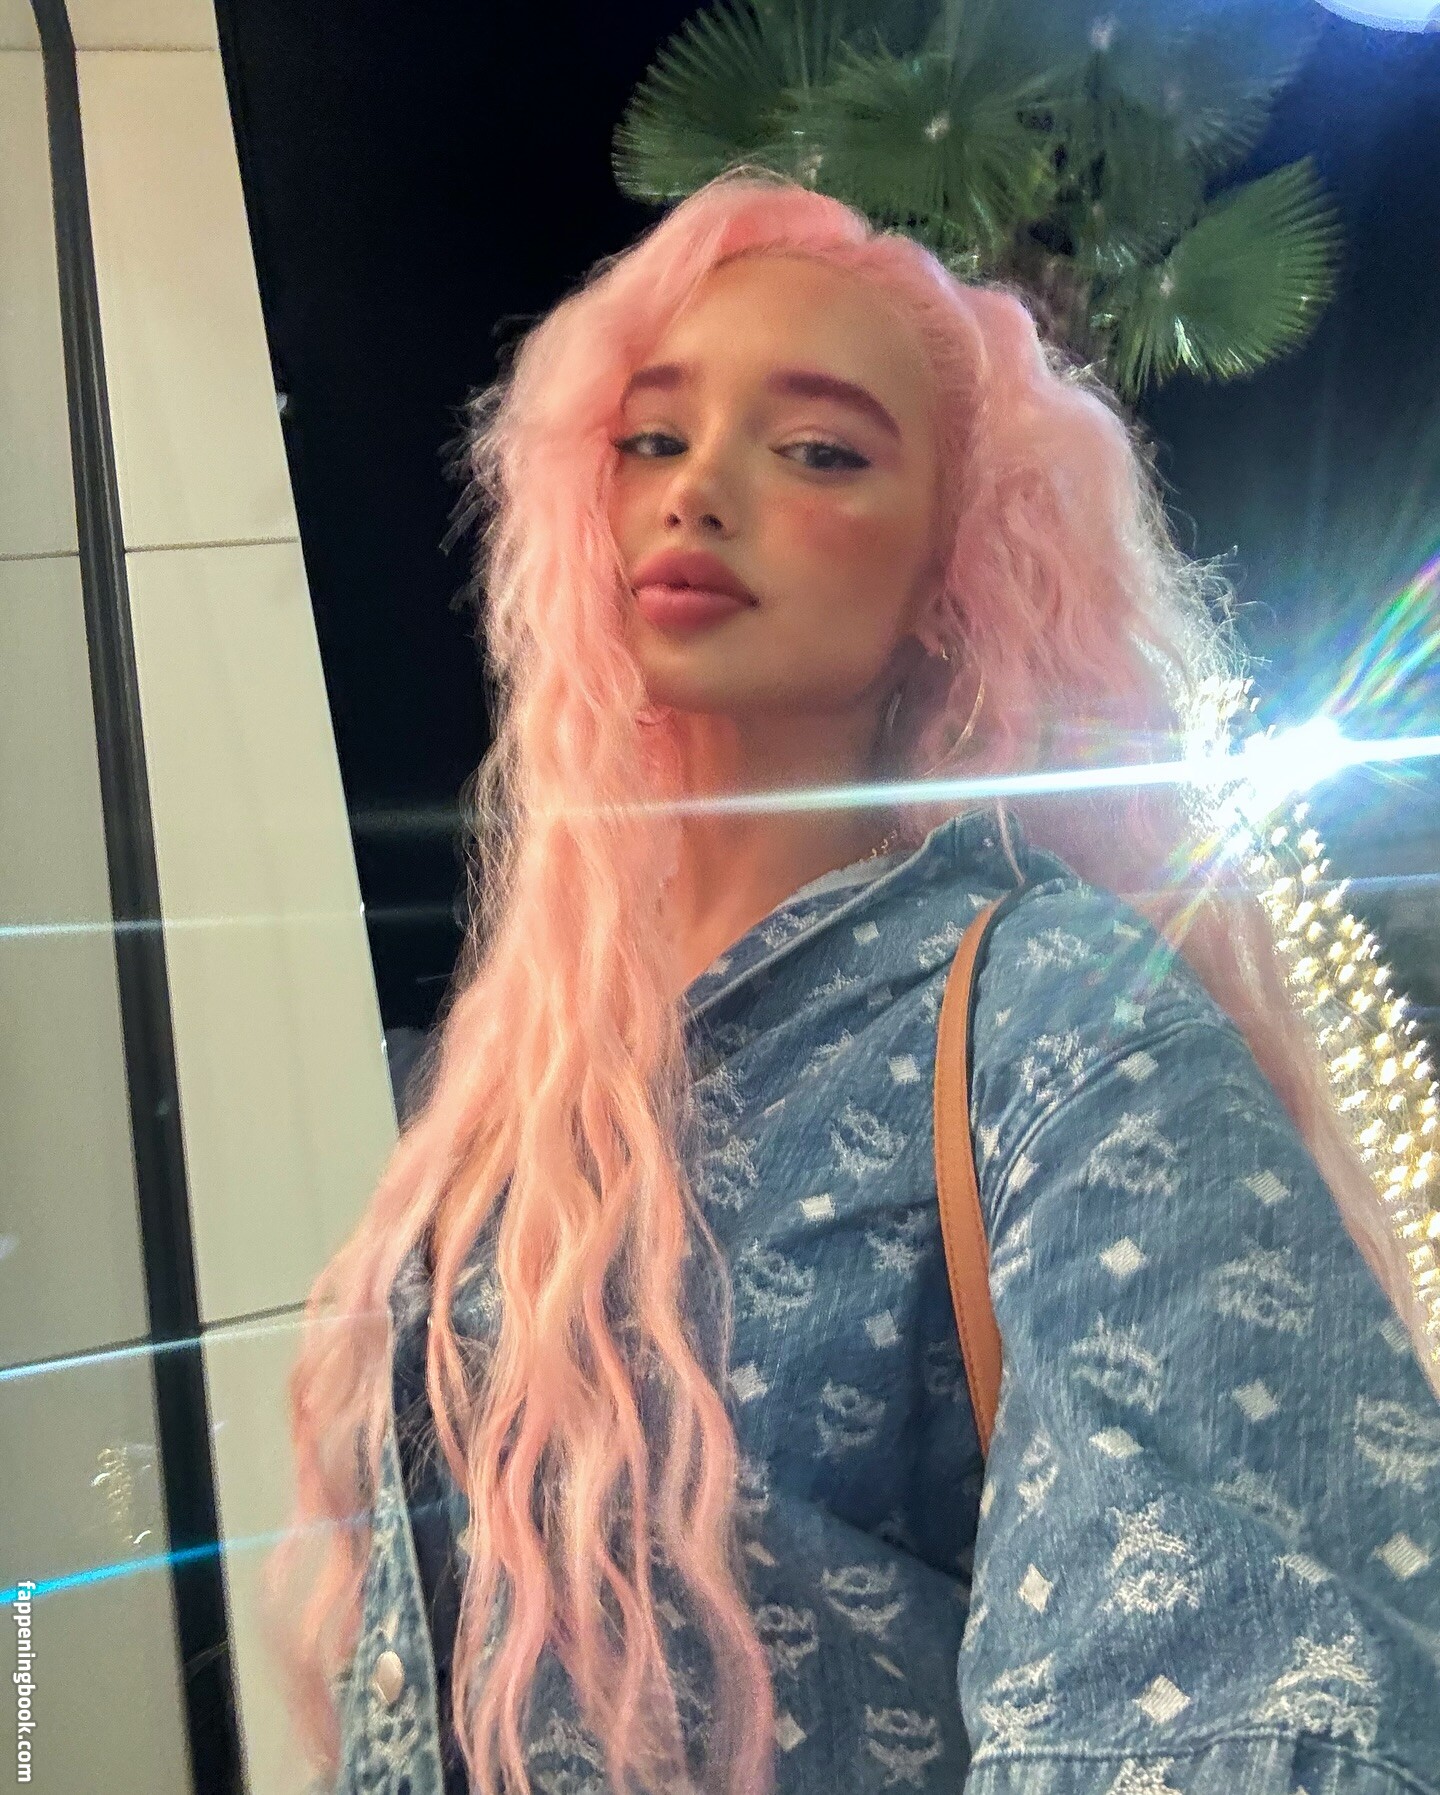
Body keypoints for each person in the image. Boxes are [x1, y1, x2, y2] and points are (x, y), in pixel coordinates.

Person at [267, 173, 1440, 1795]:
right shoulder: (520, 1083)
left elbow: (1232, 1700)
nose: (699, 492)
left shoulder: (1058, 1020)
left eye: (820, 450)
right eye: (652, 438)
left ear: (956, 570)